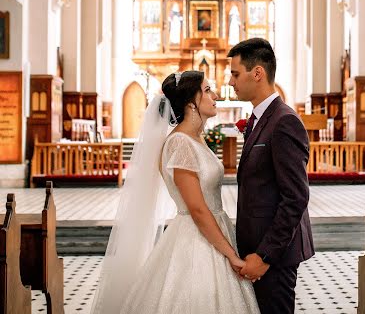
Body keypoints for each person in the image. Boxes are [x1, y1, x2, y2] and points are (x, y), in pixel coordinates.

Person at [91, 70, 260, 313]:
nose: (215, 96)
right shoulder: (180, 143)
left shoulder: (195, 138)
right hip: (196, 238)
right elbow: (198, 210)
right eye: (207, 90)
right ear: (191, 102)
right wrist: (231, 256)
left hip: (215, 228)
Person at [228, 37, 314, 314]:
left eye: (235, 73)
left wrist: (265, 256)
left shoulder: (284, 120)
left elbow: (296, 197)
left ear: (257, 73)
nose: (231, 82)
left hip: (275, 254)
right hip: (258, 247)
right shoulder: (260, 119)